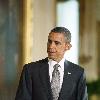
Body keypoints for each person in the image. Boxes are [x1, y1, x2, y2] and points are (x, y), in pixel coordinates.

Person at [15, 27, 88, 100]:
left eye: (57, 43)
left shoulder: (78, 72)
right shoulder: (30, 70)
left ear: (67, 47)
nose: (51, 46)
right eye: (49, 42)